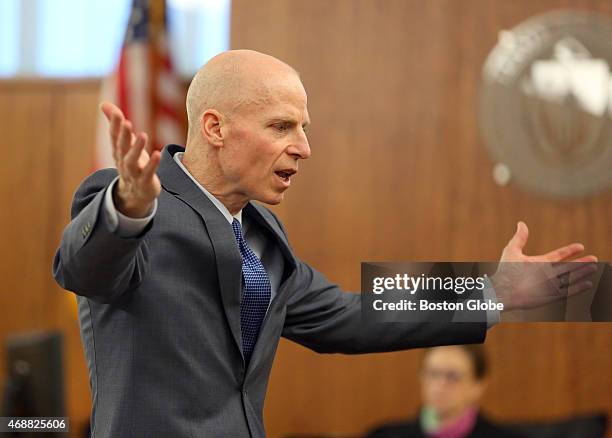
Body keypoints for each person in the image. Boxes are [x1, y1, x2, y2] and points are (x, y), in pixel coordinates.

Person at [52, 50, 596, 437]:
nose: (305, 147)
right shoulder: (127, 203)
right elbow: (84, 271)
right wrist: (128, 206)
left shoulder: (261, 235)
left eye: (304, 127)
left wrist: (492, 291)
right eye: (282, 126)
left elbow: (352, 311)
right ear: (215, 128)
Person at [366, 345, 523, 438]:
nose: (439, 386)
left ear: (478, 386)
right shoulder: (384, 435)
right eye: (433, 374)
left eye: (452, 376)